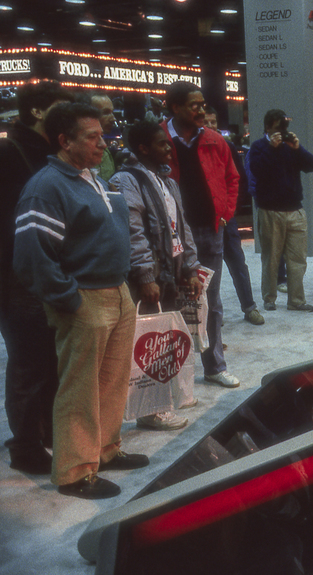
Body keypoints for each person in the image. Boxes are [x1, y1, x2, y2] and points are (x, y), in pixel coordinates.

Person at [13, 102, 148, 499]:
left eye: (101, 135)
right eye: (92, 137)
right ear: (64, 141)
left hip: (116, 292)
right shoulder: (46, 187)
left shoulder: (92, 177)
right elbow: (32, 256)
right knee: (79, 388)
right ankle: (74, 472)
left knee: (112, 381)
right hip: (84, 298)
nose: (102, 143)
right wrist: (68, 298)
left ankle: (105, 450)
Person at [110, 121, 204, 431]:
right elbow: (133, 231)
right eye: (162, 143)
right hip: (150, 276)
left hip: (171, 272)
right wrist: (145, 275)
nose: (169, 147)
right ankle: (150, 411)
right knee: (147, 342)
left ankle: (167, 397)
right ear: (143, 148)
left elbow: (182, 227)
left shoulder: (167, 181)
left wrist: (190, 267)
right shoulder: (126, 180)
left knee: (167, 338)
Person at [0, 80, 73, 475]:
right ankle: (26, 446)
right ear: (38, 112)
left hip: (49, 271)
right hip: (17, 277)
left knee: (51, 359)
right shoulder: (9, 152)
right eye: (62, 107)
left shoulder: (49, 154)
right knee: (29, 363)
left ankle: (46, 434)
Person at [160, 81, 241, 389]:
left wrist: (225, 212)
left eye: (203, 105)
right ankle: (173, 374)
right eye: (194, 105)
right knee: (171, 299)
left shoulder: (214, 140)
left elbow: (232, 177)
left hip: (209, 229)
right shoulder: (159, 139)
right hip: (170, 233)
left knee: (210, 299)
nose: (201, 110)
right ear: (175, 107)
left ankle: (214, 366)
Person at [247, 109, 313, 312]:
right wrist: (271, 148)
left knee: (298, 259)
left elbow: (311, 165)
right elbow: (257, 170)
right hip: (270, 210)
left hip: (295, 209)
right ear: (268, 127)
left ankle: (296, 300)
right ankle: (269, 298)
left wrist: (298, 148)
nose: (282, 131)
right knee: (271, 258)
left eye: (284, 127)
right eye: (278, 127)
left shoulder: (290, 147)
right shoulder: (259, 147)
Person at [204, 106, 264, 325]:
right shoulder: (193, 149)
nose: (210, 126)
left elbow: (238, 180)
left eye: (213, 122)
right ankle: (212, 314)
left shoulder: (226, 146)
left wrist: (231, 210)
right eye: (205, 122)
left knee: (238, 263)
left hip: (226, 217)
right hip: (203, 219)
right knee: (208, 269)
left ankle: (249, 307)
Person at [80, 92, 117, 180]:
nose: (113, 119)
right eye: (105, 112)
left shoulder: (104, 148)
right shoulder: (80, 150)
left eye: (112, 112)